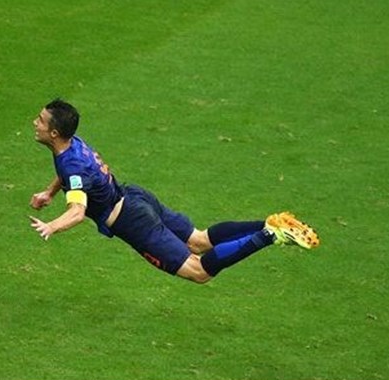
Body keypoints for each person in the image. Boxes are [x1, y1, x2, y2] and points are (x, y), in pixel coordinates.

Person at [28, 99, 320, 283]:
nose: (35, 123)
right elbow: (73, 176)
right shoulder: (73, 144)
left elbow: (77, 212)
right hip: (136, 197)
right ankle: (273, 223)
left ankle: (270, 235)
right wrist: (50, 192)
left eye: (40, 120)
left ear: (55, 133)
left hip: (132, 220)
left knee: (199, 271)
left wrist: (51, 226)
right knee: (198, 240)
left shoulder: (71, 165)